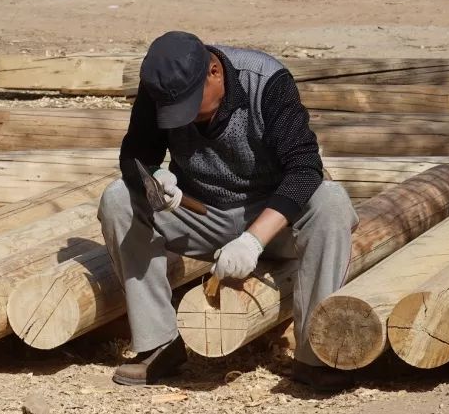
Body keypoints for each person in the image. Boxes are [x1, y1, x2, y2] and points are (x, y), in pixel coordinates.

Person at [97, 31, 358, 392]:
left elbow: (304, 169)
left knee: (331, 202)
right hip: (202, 214)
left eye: (190, 108)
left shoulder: (267, 82)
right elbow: (135, 155)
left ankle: (315, 355)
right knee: (116, 199)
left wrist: (252, 241)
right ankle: (158, 344)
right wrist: (154, 178)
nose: (185, 121)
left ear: (215, 72)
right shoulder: (159, 86)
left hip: (272, 217)